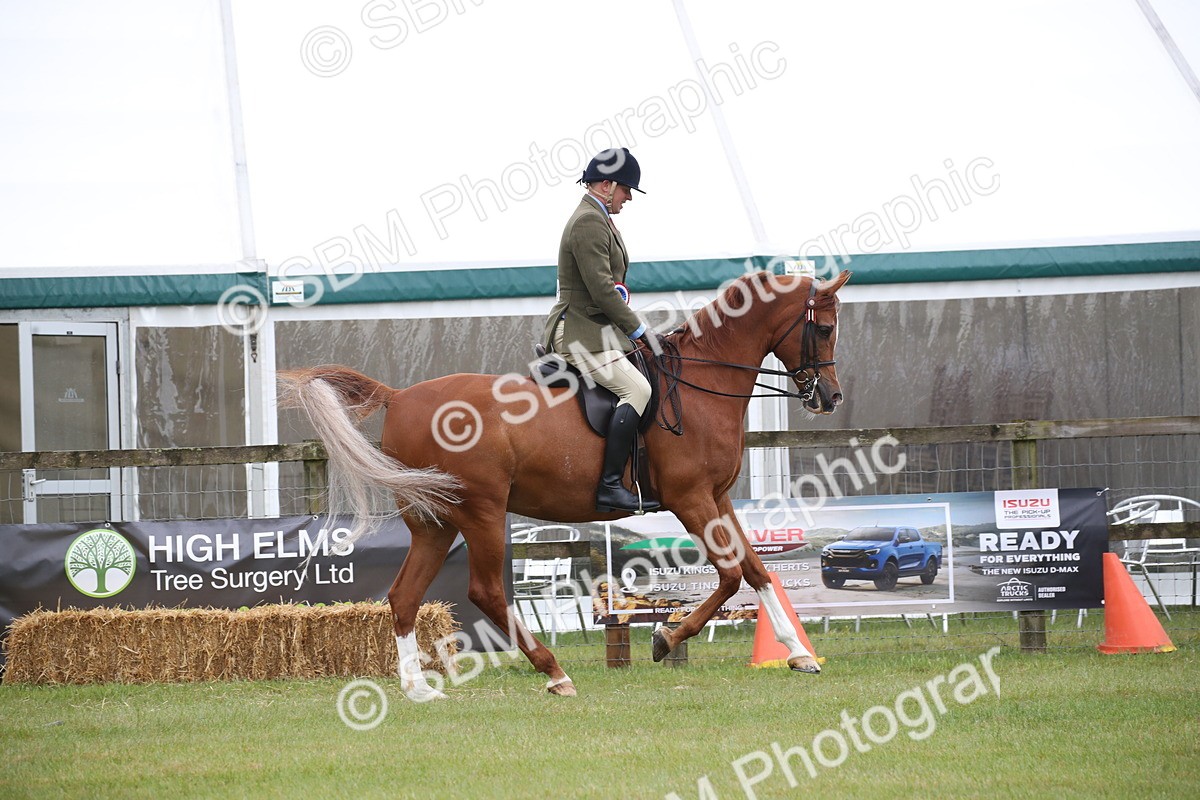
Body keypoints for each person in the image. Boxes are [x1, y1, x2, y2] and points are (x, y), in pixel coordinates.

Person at [542, 147, 662, 513]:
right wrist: (640, 332)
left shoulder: (599, 218)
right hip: (578, 332)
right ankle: (610, 485)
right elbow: (602, 291)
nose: (628, 198)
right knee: (637, 388)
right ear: (607, 185)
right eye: (626, 190)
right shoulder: (587, 222)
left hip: (597, 329)